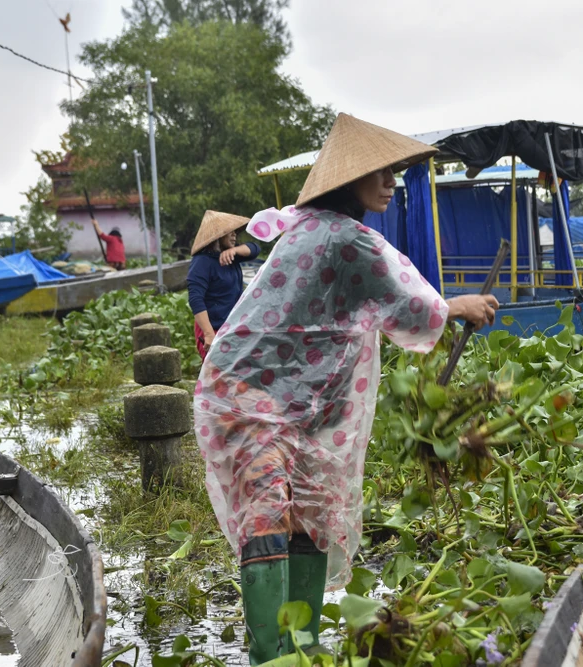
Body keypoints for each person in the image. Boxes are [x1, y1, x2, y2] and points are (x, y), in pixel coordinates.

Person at [192, 114, 499, 665]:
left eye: (395, 171)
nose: (392, 181)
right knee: (268, 523)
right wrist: (458, 307)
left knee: (309, 516)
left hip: (294, 407)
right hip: (248, 401)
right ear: (347, 179)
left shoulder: (313, 228)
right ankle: (272, 655)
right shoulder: (341, 236)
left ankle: (302, 650)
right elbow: (411, 305)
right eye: (381, 171)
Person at [187, 211, 261, 360]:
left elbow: (255, 249)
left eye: (235, 232)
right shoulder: (202, 262)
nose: (234, 235)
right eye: (229, 232)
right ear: (217, 236)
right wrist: (208, 334)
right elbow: (196, 299)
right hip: (212, 328)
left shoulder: (230, 257)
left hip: (232, 326)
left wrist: (235, 250)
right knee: (217, 374)